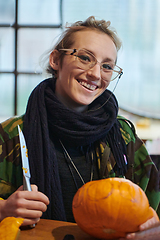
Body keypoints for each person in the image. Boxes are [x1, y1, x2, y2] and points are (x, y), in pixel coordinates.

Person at [0, 16, 160, 239]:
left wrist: (154, 227)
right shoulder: (11, 135)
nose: (96, 74)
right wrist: (2, 211)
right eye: (85, 58)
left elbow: (154, 204)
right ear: (56, 60)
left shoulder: (122, 136)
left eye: (107, 66)